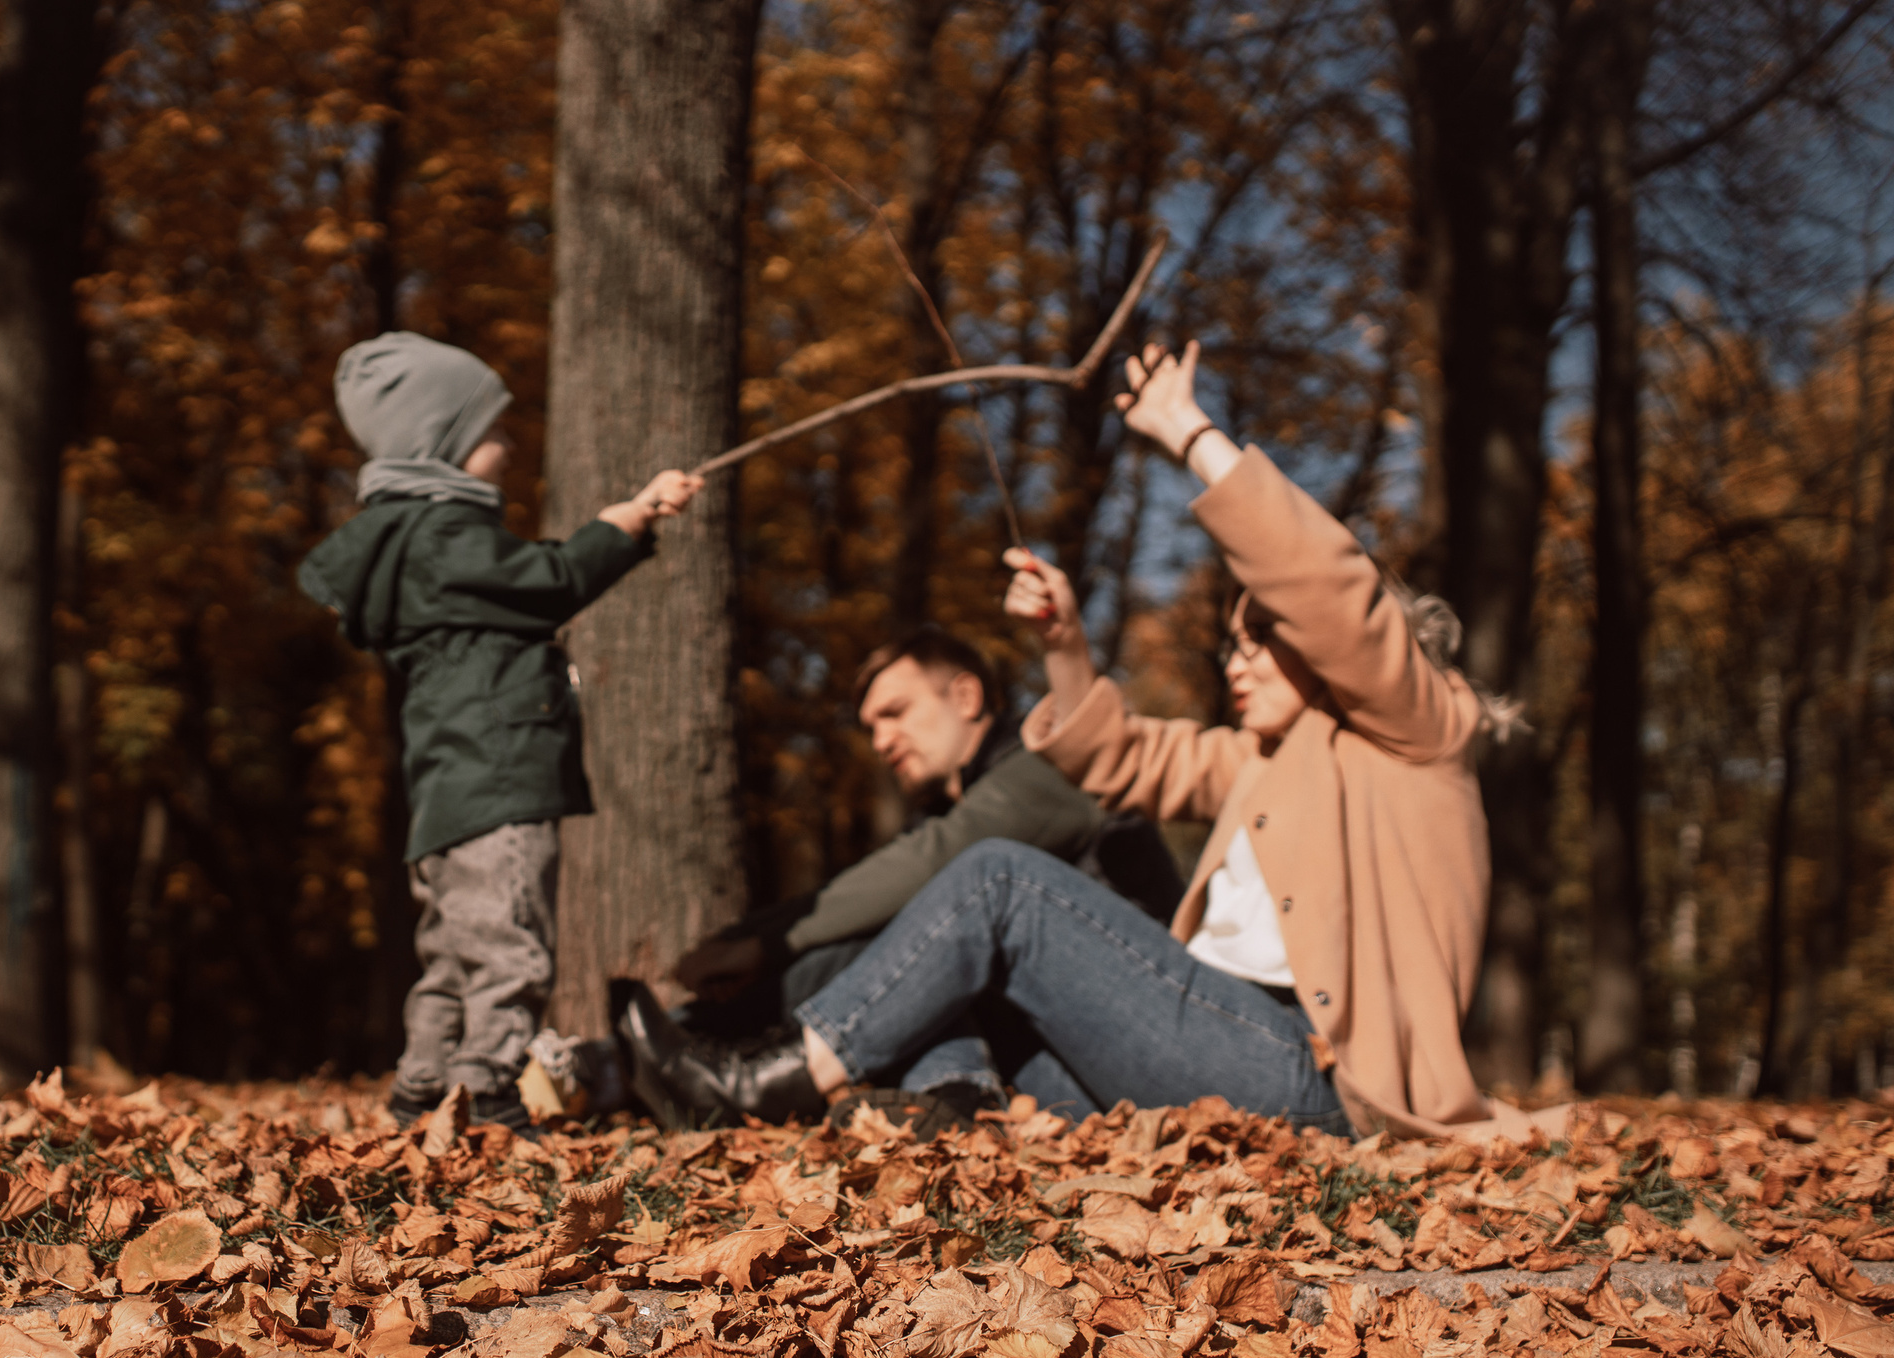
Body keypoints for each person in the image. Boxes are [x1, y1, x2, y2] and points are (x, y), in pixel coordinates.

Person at [619, 338, 1505, 1137]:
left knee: (1000, 877)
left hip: (1313, 1076)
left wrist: (1191, 433)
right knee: (965, 1000)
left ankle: (749, 1088)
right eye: (1231, 646)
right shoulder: (1262, 763)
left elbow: (1323, 585)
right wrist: (1067, 645)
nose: (1236, 665)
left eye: (1260, 643)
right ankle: (961, 1114)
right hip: (1215, 1050)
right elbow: (1120, 758)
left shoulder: (1416, 733)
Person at [298, 331, 702, 1130]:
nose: (510, 444)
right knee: (511, 948)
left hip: (446, 794)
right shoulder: (445, 536)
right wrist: (623, 524)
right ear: (440, 444)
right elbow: (547, 582)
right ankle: (487, 1096)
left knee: (452, 954)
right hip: (498, 783)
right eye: (493, 429)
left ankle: (423, 1089)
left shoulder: (412, 545)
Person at [618, 626, 1181, 1126]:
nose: (881, 740)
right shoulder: (957, 807)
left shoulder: (1047, 772)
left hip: (1126, 1065)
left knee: (913, 924)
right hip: (1048, 1062)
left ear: (966, 696)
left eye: (895, 713)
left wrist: (759, 943)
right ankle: (952, 1102)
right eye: (870, 726)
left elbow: (925, 861)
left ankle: (712, 1066)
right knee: (889, 939)